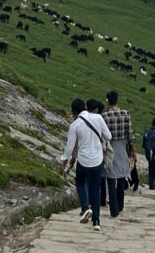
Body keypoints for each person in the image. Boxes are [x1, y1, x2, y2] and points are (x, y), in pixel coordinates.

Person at [60, 98, 110, 231]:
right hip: (97, 160)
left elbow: (70, 147)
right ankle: (96, 222)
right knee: (95, 190)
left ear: (75, 111)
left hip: (83, 160)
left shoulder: (75, 125)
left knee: (80, 183)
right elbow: (109, 136)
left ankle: (85, 207)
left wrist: (64, 161)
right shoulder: (98, 118)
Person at [102, 90, 134, 218]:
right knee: (121, 175)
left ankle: (114, 209)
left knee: (110, 176)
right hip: (122, 146)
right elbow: (130, 134)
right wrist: (133, 150)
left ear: (107, 101)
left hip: (110, 146)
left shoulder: (104, 116)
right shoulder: (126, 114)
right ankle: (120, 205)